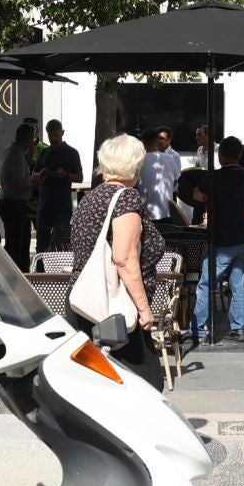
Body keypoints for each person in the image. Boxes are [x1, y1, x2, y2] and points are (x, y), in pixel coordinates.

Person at [66, 135, 163, 386]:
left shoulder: (90, 198)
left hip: (85, 303)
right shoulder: (126, 198)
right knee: (147, 385)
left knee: (98, 384)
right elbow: (124, 258)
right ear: (137, 167)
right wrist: (144, 309)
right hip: (117, 309)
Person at [192, 137, 244, 342]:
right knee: (238, 284)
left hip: (220, 240)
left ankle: (199, 329)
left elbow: (197, 195)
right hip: (241, 238)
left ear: (221, 155)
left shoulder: (214, 177)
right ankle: (238, 327)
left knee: (206, 284)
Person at [34, 119, 83, 252]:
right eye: (50, 136)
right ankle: (40, 271)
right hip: (44, 206)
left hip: (62, 206)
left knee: (62, 243)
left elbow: (80, 177)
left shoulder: (72, 153)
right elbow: (34, 175)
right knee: (41, 243)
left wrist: (66, 174)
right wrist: (40, 175)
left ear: (62, 133)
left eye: (56, 135)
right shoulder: (44, 153)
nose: (53, 139)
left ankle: (60, 271)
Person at [0, 122, 36, 271]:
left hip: (10, 203)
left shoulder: (12, 151)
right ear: (29, 139)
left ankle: (17, 272)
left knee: (17, 242)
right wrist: (35, 184)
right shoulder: (16, 155)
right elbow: (21, 184)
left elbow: (22, 171)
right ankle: (16, 275)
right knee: (17, 245)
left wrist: (31, 153)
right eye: (33, 138)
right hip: (15, 205)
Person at [138, 127, 184, 224]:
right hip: (166, 211)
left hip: (145, 212)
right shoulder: (170, 158)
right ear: (157, 141)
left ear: (142, 142)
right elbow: (176, 179)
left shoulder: (138, 161)